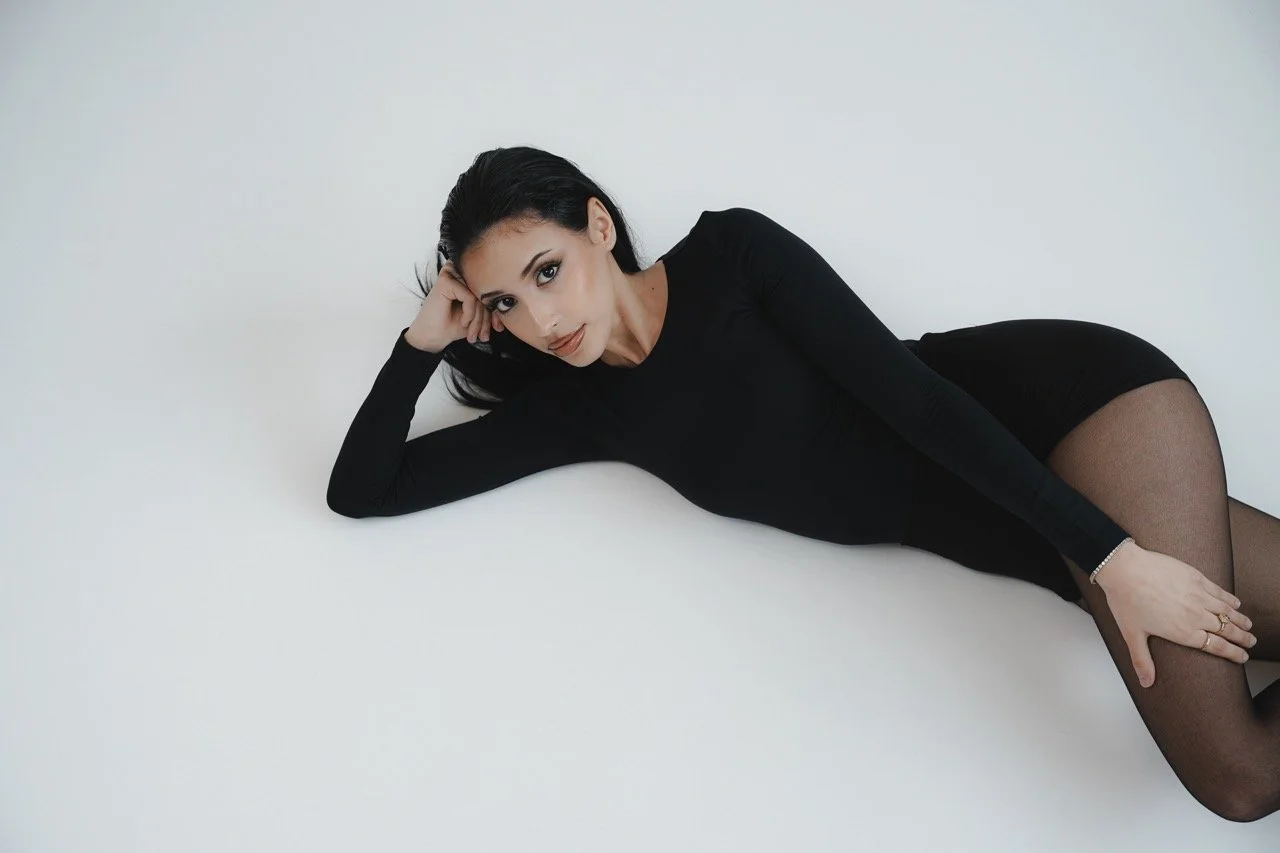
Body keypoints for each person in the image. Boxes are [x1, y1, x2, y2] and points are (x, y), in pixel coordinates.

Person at [326, 145, 1280, 821]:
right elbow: (366, 488)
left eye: (547, 271)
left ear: (599, 227)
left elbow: (922, 405)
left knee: (1234, 776)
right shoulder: (583, 409)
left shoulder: (732, 255)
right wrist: (420, 344)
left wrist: (1110, 557)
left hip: (1081, 414)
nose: (540, 320)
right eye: (505, 303)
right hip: (1040, 527)